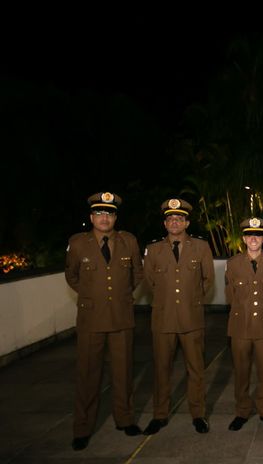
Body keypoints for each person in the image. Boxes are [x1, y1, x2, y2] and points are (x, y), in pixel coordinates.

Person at [65, 192, 144, 451]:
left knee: (123, 372)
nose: (104, 218)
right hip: (91, 319)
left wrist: (119, 297)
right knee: (88, 375)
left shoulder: (128, 241)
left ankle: (125, 419)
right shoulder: (78, 243)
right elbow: (72, 276)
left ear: (115, 217)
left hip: (121, 317)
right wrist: (93, 297)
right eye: (99, 213)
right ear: (91, 217)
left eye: (109, 213)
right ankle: (83, 428)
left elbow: (136, 275)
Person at [142, 198, 215, 435]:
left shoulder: (201, 247)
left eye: (179, 219)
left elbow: (207, 280)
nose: (175, 222)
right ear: (165, 224)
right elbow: (151, 282)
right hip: (163, 320)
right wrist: (168, 303)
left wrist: (190, 302)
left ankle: (198, 414)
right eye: (171, 219)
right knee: (161, 369)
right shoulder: (153, 250)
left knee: (196, 369)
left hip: (191, 319)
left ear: (187, 223)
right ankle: (160, 414)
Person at [225, 218, 263, 431]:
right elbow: (230, 295)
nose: (253, 238)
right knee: (241, 370)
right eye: (249, 234)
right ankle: (242, 410)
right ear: (243, 239)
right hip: (240, 326)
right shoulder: (233, 264)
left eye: (258, 235)